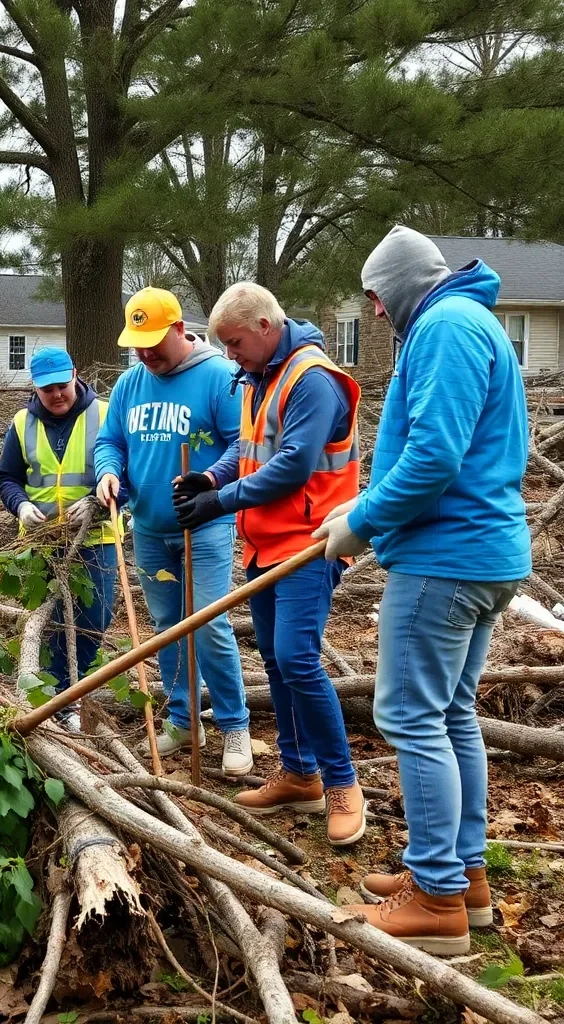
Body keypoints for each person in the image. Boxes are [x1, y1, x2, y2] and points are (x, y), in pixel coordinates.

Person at [314, 226, 531, 954]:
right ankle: (461, 878)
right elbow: (445, 448)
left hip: (446, 559)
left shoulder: (443, 326)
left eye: (376, 296)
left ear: (403, 285)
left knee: (409, 714)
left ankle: (435, 896)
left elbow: (436, 456)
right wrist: (363, 505)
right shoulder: (472, 323)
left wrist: (364, 522)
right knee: (450, 713)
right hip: (479, 552)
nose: (374, 313)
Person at [172, 282, 366, 846]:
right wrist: (211, 475)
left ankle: (341, 783)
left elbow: (292, 466)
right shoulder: (259, 375)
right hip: (264, 544)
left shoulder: (314, 380)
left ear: (264, 326)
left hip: (311, 541)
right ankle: (298, 772)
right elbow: (251, 445)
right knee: (279, 665)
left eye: (234, 342)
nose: (228, 354)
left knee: (298, 659)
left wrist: (220, 502)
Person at [93, 287, 252, 775]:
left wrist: (209, 481)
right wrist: (107, 471)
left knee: (205, 622)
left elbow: (241, 442)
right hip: (148, 527)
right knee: (166, 629)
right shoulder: (129, 384)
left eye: (154, 343)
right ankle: (184, 720)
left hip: (204, 525)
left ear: (180, 329)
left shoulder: (220, 377)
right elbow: (110, 439)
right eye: (138, 344)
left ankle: (234, 726)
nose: (146, 353)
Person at [0, 347, 123, 730]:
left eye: (62, 386)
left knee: (92, 620)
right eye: (47, 389)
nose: (57, 395)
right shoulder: (21, 423)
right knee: (47, 622)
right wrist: (19, 506)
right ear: (35, 388)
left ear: (76, 375)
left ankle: (73, 693)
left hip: (95, 537)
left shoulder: (104, 414)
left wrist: (97, 505)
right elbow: (7, 478)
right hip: (41, 541)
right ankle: (50, 698)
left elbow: (126, 474)